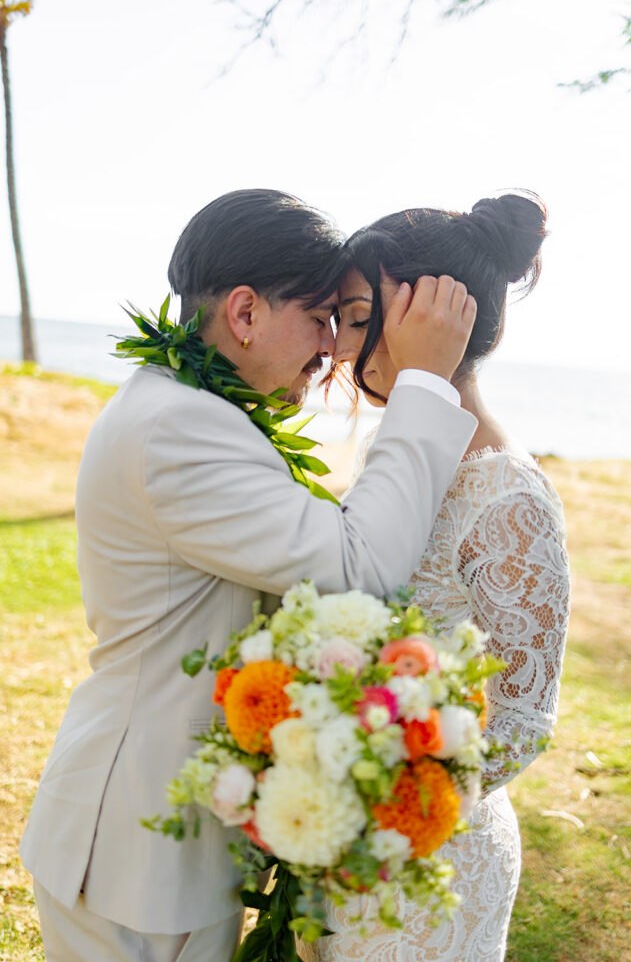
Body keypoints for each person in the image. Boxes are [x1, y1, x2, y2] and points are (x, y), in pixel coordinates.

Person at [20, 189, 479, 962]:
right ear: (244, 314)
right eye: (323, 317)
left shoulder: (191, 410)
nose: (334, 346)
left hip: (168, 838)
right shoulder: (179, 426)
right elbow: (355, 566)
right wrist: (425, 384)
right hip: (134, 846)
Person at [303, 193, 571, 962]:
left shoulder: (506, 494)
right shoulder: (401, 454)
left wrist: (384, 805)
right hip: (348, 840)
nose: (335, 346)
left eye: (356, 317)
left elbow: (522, 722)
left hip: (430, 853)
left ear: (432, 316)